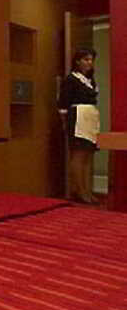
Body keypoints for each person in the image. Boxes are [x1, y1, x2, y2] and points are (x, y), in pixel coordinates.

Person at [58, 47, 100, 204]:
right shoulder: (71, 79)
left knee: (88, 156)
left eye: (91, 60)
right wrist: (65, 123)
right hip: (77, 118)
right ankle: (80, 191)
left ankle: (87, 191)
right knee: (79, 155)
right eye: (86, 59)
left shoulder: (90, 80)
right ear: (77, 61)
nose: (90, 62)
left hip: (90, 118)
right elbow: (63, 103)